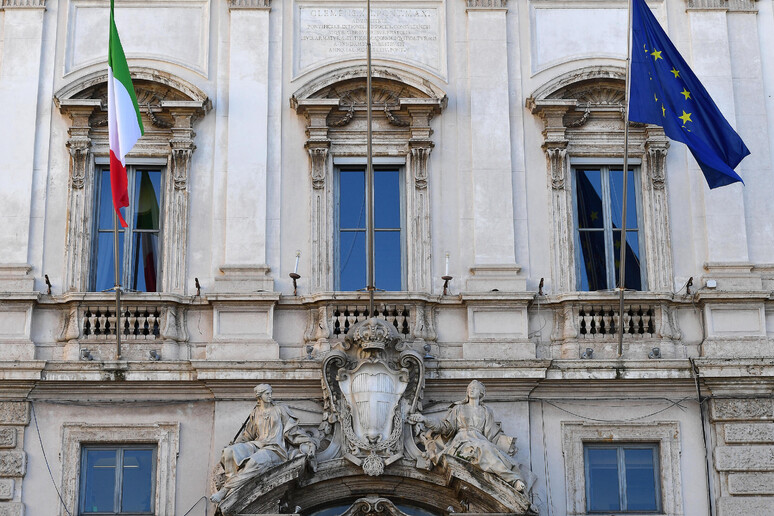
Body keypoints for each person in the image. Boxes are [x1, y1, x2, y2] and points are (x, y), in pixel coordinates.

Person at [409, 380, 526, 491]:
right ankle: (513, 479)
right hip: (461, 442)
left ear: (481, 393)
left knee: (489, 449)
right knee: (484, 449)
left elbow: (493, 434)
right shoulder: (458, 408)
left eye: (474, 388)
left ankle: (513, 479)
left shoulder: (486, 411)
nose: (471, 390)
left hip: (480, 440)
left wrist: (507, 444)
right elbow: (445, 427)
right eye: (469, 388)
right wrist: (425, 419)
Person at [211, 384, 316, 504]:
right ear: (259, 396)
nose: (270, 396)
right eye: (267, 393)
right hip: (258, 444)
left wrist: (308, 442)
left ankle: (225, 490)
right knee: (229, 452)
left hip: (275, 449)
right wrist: (235, 445)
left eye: (271, 393)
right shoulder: (255, 412)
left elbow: (292, 431)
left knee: (254, 462)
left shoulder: (279, 409)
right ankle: (235, 486)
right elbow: (248, 436)